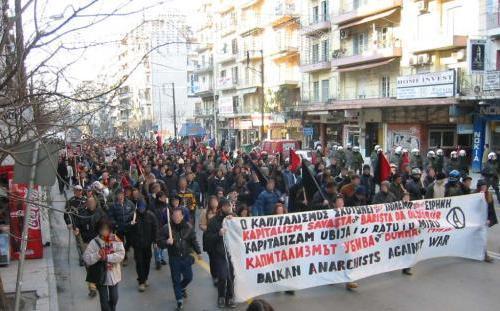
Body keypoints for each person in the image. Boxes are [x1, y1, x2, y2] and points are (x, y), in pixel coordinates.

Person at [159, 208, 202, 311]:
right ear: (171, 216)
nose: (176, 218)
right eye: (174, 216)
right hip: (174, 258)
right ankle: (179, 301)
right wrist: (166, 242)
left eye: (178, 216)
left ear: (182, 216)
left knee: (189, 277)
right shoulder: (166, 228)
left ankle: (182, 287)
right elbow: (159, 242)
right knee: (176, 280)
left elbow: (193, 240)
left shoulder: (188, 227)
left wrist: (198, 252)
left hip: (186, 257)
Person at [83, 218, 125, 311]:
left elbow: (121, 254)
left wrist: (107, 257)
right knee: (104, 302)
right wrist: (98, 255)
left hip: (113, 275)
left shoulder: (115, 239)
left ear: (110, 229)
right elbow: (86, 258)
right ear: (98, 230)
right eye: (102, 229)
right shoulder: (94, 242)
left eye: (106, 229)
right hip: (100, 276)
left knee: (114, 298)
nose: (104, 231)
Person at [205, 199, 236, 308]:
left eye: (230, 206)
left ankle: (230, 297)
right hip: (220, 253)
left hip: (233, 253)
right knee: (223, 276)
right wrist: (218, 234)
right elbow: (208, 238)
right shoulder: (213, 221)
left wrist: (233, 220)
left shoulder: (234, 219)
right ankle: (221, 296)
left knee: (231, 276)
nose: (228, 208)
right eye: (226, 206)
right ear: (221, 207)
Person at [75, 197, 106, 297]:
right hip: (87, 242)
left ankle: (99, 281)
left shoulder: (100, 213)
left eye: (92, 202)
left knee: (99, 263)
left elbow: (106, 224)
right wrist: (76, 229)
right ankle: (92, 287)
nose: (91, 204)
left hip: (99, 242)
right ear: (87, 204)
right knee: (89, 263)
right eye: (89, 202)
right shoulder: (83, 213)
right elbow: (77, 224)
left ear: (96, 203)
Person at [131, 193, 158, 292]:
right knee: (139, 262)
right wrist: (131, 225)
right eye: (140, 207)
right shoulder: (133, 216)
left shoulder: (151, 216)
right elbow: (129, 231)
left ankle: (145, 277)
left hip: (147, 244)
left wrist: (155, 241)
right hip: (137, 244)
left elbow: (155, 229)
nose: (141, 209)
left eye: (143, 207)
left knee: (147, 261)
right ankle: (141, 281)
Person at [107, 189, 135, 266]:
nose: (120, 196)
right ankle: (124, 258)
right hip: (119, 228)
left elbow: (134, 211)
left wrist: (133, 218)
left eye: (121, 194)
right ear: (116, 196)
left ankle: (126, 250)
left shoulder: (129, 203)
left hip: (129, 227)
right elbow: (110, 217)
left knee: (130, 241)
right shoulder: (113, 205)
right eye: (119, 195)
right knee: (121, 243)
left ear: (123, 195)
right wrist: (115, 224)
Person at [476, 180, 498, 263]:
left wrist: (489, 219)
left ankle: (485, 255)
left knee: (483, 238)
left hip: (484, 221)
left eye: (485, 186)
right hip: (476, 220)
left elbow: (491, 209)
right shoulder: (475, 195)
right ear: (479, 187)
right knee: (476, 238)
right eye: (482, 187)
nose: (484, 188)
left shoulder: (489, 195)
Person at [64, 185, 87, 265]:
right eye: (76, 190)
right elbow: (66, 213)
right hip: (76, 224)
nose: (78, 192)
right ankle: (82, 258)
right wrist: (68, 223)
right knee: (79, 242)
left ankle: (87, 256)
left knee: (86, 242)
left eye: (80, 190)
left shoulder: (86, 200)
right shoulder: (70, 201)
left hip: (85, 224)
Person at [199, 195, 219, 285]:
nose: (214, 203)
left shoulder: (220, 211)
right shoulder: (205, 212)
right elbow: (201, 225)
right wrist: (210, 228)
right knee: (213, 258)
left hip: (219, 237)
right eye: (213, 201)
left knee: (219, 257)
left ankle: (220, 274)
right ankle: (214, 276)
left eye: (216, 201)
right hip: (209, 238)